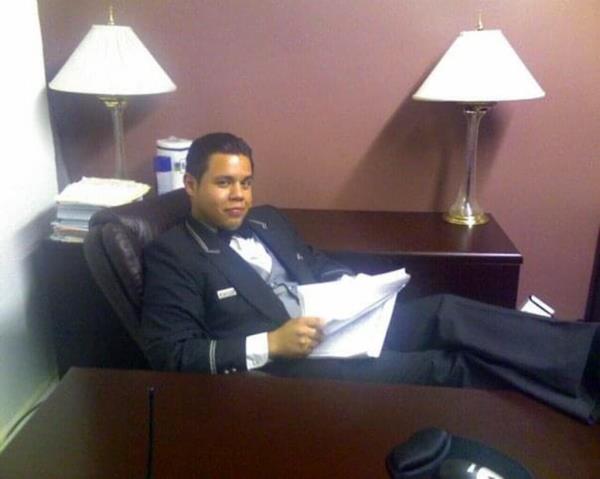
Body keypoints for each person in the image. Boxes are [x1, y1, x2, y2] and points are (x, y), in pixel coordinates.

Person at [140, 132, 600, 423]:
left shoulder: (267, 220)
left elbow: (316, 262)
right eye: (224, 183)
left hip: (344, 321)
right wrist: (272, 344)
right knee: (449, 365)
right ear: (192, 185)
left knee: (446, 310)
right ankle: (574, 407)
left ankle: (586, 357)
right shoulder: (173, 254)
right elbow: (171, 354)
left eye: (246, 182)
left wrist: (352, 285)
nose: (239, 195)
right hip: (297, 365)